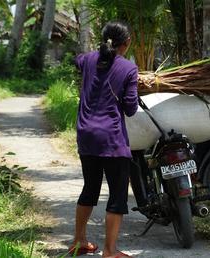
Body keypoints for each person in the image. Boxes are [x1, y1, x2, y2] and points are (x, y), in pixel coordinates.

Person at [70, 21, 138, 258]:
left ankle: (79, 241)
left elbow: (77, 60)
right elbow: (130, 108)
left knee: (90, 187)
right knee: (118, 193)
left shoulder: (88, 59)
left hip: (86, 135)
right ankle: (110, 251)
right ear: (126, 43)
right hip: (111, 139)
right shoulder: (128, 69)